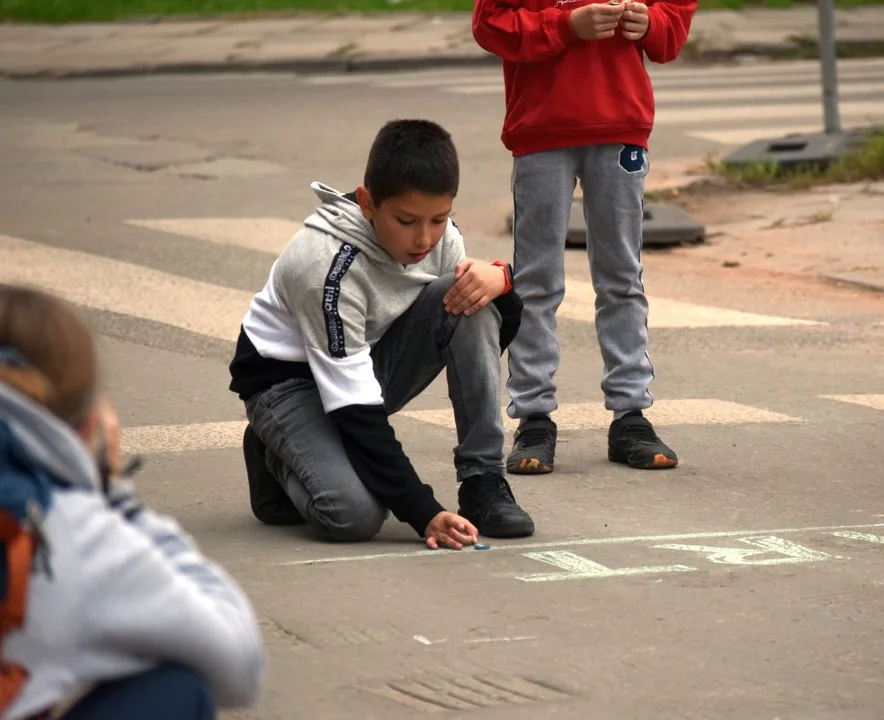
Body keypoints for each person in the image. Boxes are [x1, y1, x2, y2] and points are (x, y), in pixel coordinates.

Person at [228, 118, 535, 548]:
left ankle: (482, 480)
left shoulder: (442, 239)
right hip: (286, 386)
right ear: (368, 203)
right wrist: (423, 512)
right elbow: (356, 411)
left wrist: (502, 282)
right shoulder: (325, 267)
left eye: (440, 218)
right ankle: (272, 450)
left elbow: (484, 339)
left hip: (362, 368)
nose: (424, 238)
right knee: (353, 516)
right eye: (407, 220)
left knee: (470, 299)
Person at [0, 284, 266, 720]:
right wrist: (112, 494)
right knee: (178, 689)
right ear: (86, 420)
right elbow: (239, 665)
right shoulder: (63, 524)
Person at [472, 0, 697, 475]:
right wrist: (565, 25)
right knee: (536, 281)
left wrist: (652, 23)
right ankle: (534, 418)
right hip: (541, 132)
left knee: (621, 277)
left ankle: (630, 415)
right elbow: (491, 25)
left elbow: (673, 24)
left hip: (621, 126)